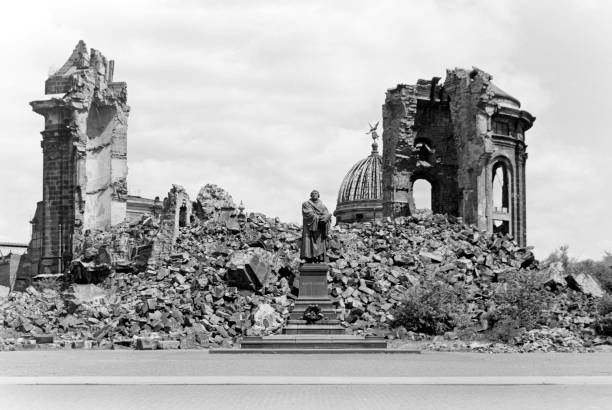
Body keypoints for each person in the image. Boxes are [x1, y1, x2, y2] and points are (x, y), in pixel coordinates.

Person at [300, 190, 331, 263]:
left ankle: (319, 258)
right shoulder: (306, 204)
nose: (314, 195)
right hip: (309, 227)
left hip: (319, 228)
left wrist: (327, 218)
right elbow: (308, 213)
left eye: (316, 193)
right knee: (308, 241)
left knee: (319, 242)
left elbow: (326, 214)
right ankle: (308, 258)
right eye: (313, 194)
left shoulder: (322, 206)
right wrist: (319, 218)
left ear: (318, 195)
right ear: (310, 195)